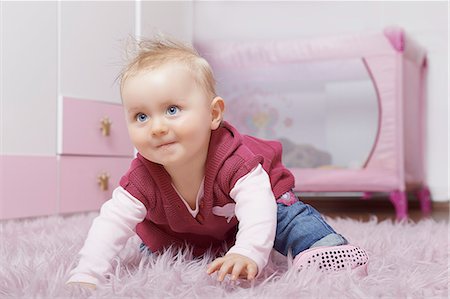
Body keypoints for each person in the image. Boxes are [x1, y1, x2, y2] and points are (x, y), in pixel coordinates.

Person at [66, 37, 368, 289]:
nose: (156, 127)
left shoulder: (233, 159)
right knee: (156, 244)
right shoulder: (141, 178)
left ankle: (325, 245)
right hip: (188, 230)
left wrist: (249, 251)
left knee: (281, 215)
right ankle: (209, 247)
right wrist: (87, 273)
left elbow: (256, 205)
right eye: (141, 117)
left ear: (213, 114)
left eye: (172, 110)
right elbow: (112, 222)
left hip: (257, 207)